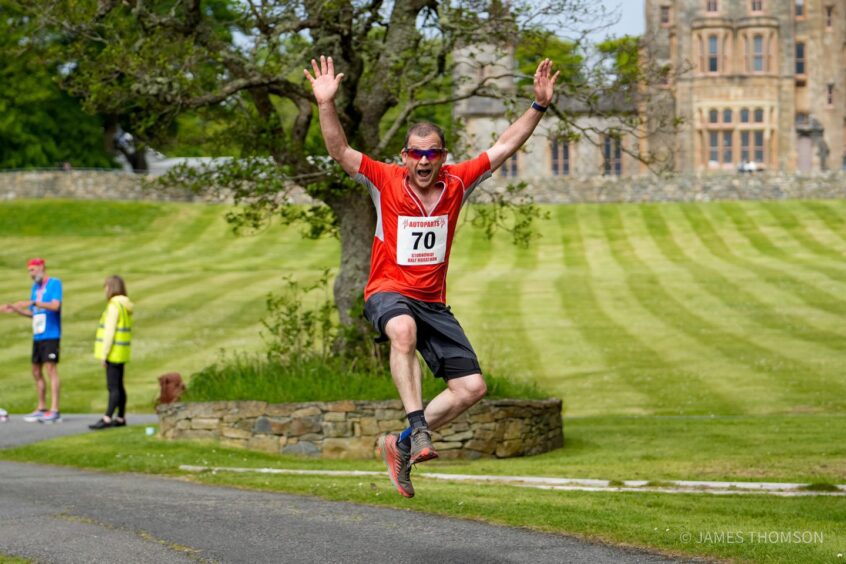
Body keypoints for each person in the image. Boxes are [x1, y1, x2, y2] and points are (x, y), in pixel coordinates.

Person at [305, 55, 559, 498]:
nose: (424, 161)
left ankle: (400, 445)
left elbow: (503, 145)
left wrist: (538, 106)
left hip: (433, 302)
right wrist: (326, 104)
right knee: (401, 331)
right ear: (404, 156)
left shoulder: (459, 182)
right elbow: (340, 152)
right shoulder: (383, 179)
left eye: (432, 153)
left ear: (443, 156)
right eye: (416, 153)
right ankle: (418, 428)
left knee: (472, 388)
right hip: (387, 292)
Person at [0, 258, 63, 423]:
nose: (31, 274)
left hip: (51, 334)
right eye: (29, 271)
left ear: (41, 268)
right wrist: (16, 309)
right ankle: (41, 407)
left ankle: (54, 409)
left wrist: (34, 302)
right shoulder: (35, 288)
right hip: (39, 334)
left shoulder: (54, 284)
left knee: (51, 370)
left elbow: (56, 306)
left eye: (33, 270)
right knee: (36, 370)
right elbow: (33, 313)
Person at [89, 275, 134, 430]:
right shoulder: (124, 305)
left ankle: (107, 417)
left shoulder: (114, 306)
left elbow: (109, 331)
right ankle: (120, 416)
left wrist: (104, 354)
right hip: (122, 351)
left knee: (113, 387)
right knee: (120, 386)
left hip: (113, 352)